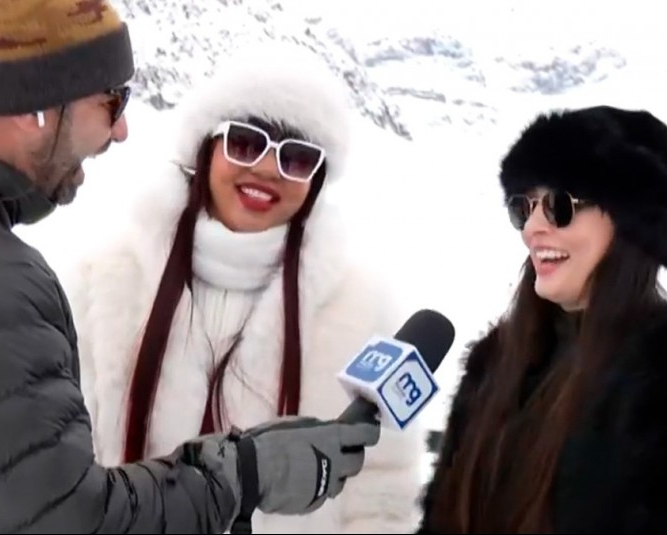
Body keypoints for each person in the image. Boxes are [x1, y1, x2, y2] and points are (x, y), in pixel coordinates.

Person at [0, 1, 382, 533]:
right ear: (32, 105)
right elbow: (69, 522)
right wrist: (245, 472)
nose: (121, 130)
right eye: (111, 101)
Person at [63, 42, 425, 533]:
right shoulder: (104, 281)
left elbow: (385, 491)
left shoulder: (360, 305)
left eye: (297, 158)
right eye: (246, 143)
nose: (268, 169)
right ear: (205, 149)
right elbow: (61, 475)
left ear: (317, 180)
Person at [417, 105, 667, 533]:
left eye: (559, 206)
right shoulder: (495, 364)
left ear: (630, 224)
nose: (533, 229)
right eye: (524, 208)